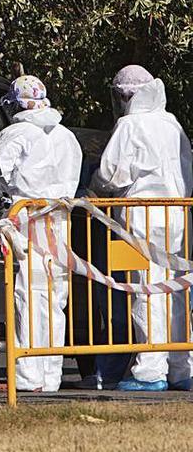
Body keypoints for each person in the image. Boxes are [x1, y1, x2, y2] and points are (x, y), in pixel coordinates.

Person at [89, 65, 193, 392]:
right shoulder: (172, 124)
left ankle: (150, 369)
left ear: (124, 95)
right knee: (176, 291)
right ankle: (181, 367)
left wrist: (94, 187)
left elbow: (111, 173)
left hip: (142, 219)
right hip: (178, 217)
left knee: (146, 292)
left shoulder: (130, 125)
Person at [0, 75, 82, 392]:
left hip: (28, 220)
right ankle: (50, 376)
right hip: (59, 220)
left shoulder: (17, 133)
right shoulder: (66, 136)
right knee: (54, 299)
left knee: (29, 296)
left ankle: (28, 377)